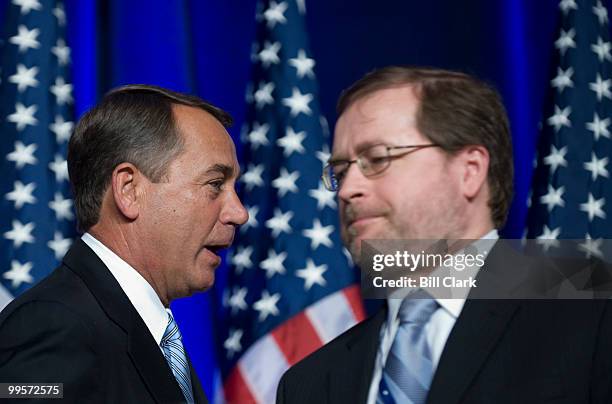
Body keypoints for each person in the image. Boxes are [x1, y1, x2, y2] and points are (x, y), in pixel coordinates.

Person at [276, 67, 612, 403]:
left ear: (470, 171)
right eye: (340, 171)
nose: (347, 190)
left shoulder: (593, 318)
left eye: (377, 158)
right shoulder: (309, 384)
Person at [0, 85, 248, 403]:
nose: (239, 213)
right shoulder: (54, 325)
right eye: (215, 184)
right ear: (129, 190)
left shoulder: (151, 334)